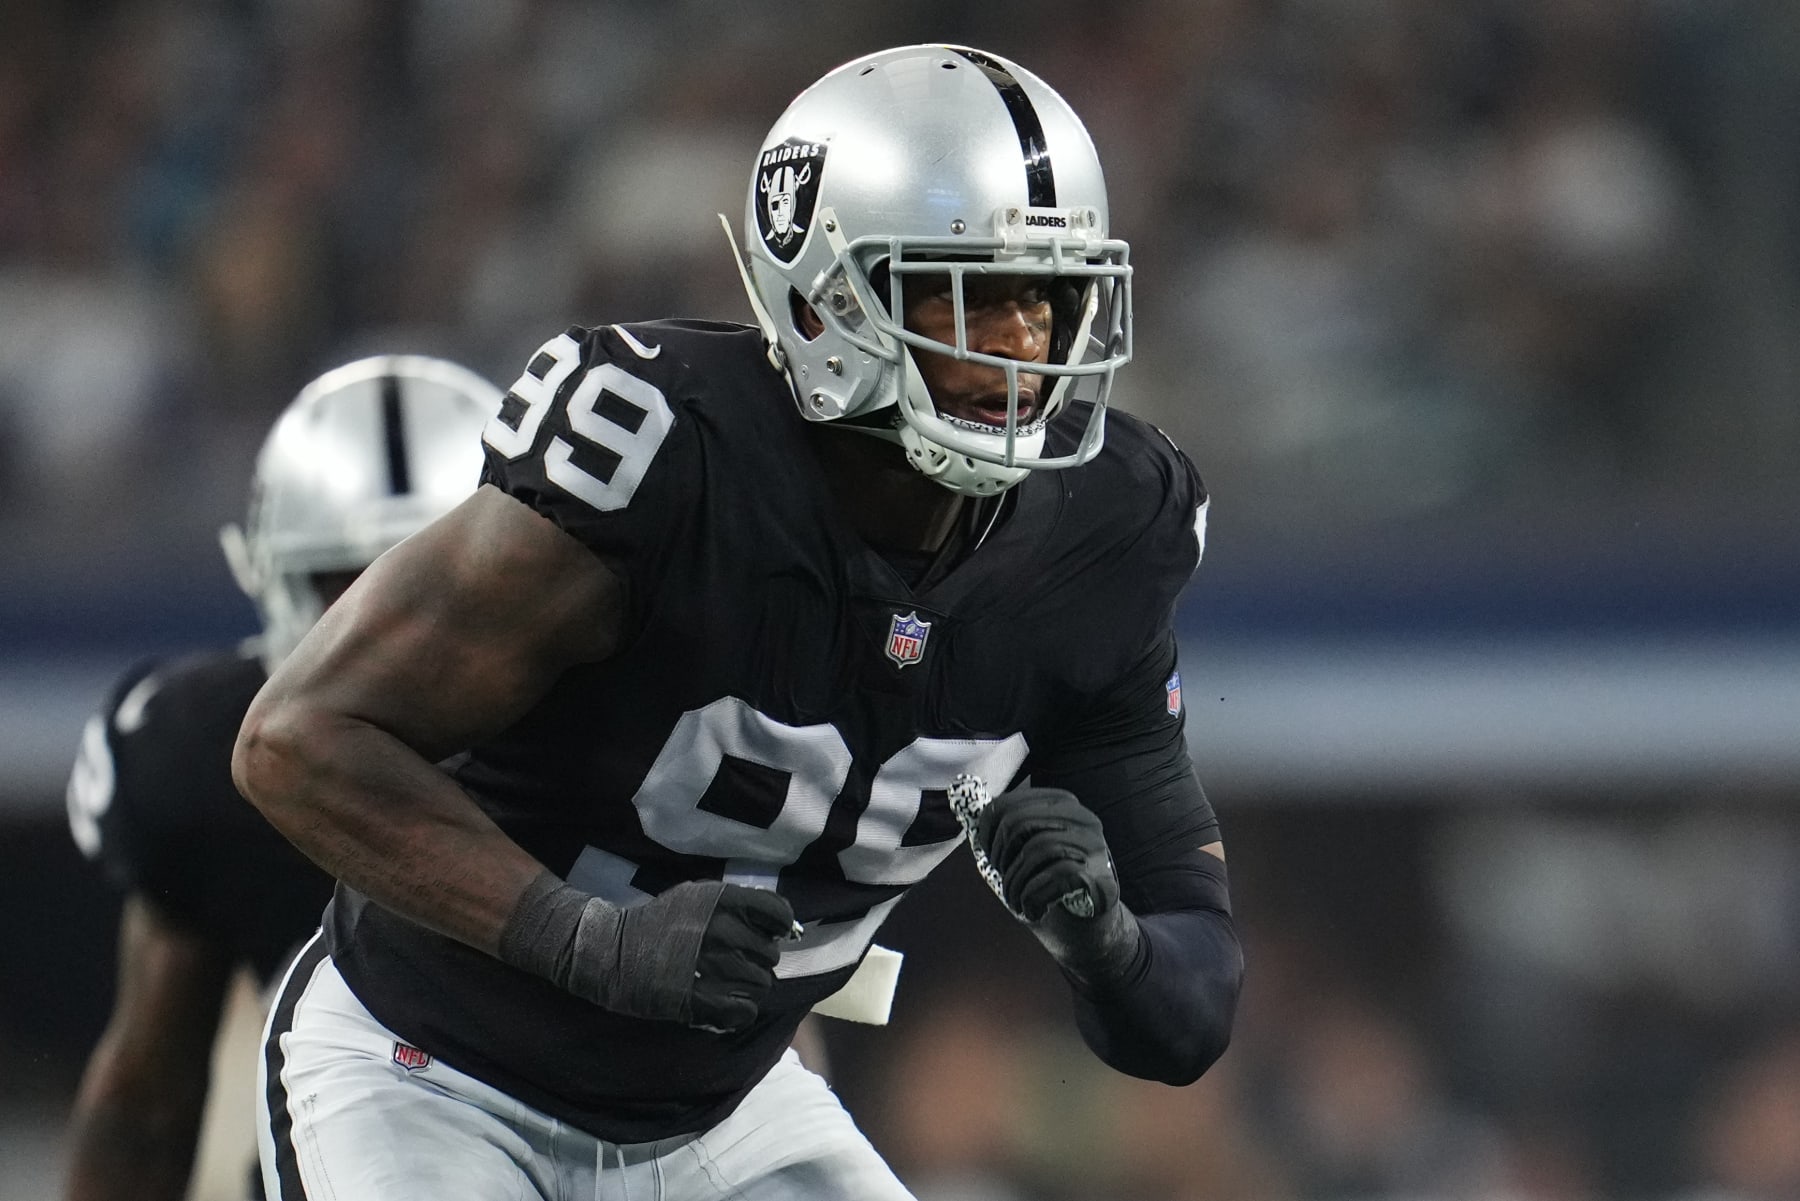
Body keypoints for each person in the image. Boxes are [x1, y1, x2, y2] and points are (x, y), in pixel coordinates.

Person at [236, 43, 1243, 1201]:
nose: (1017, 349)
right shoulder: (664, 458)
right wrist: (587, 938)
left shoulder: (1107, 534)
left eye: (1046, 299)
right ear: (826, 295)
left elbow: (1189, 1009)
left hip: (725, 1113)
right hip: (433, 1071)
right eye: (958, 294)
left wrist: (1105, 944)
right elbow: (298, 741)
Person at [63, 356, 501, 1201]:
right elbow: (145, 1106)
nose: (393, 639)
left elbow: (758, 1067)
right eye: (354, 590)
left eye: (431, 587)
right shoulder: (201, 765)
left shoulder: (629, 740)